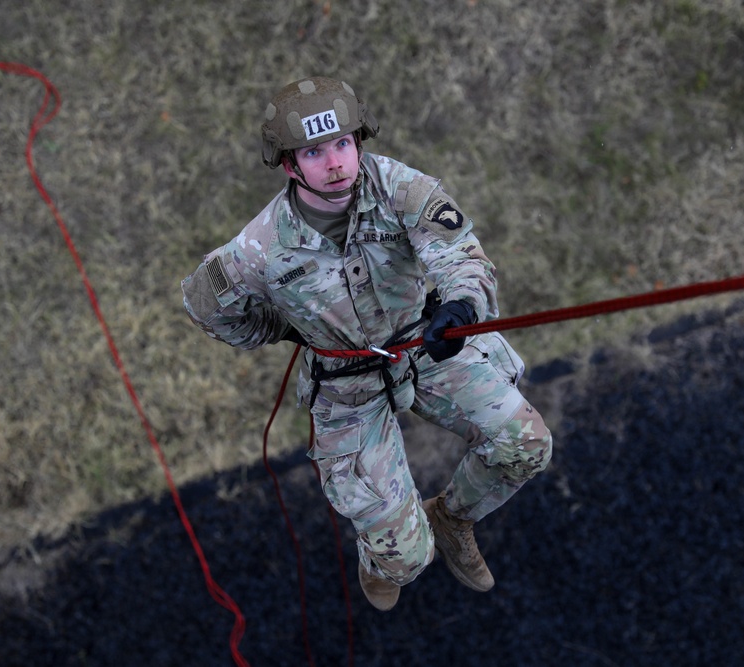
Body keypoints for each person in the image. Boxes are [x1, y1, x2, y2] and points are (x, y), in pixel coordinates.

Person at [181, 77, 552, 611]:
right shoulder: (260, 248)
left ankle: (452, 518)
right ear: (289, 165)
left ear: (358, 142)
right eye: (314, 152)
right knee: (405, 560)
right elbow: (205, 305)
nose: (335, 162)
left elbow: (459, 253)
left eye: (343, 144)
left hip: (425, 342)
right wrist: (284, 329)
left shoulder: (400, 188)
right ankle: (387, 551)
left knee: (528, 446)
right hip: (345, 383)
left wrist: (461, 305)